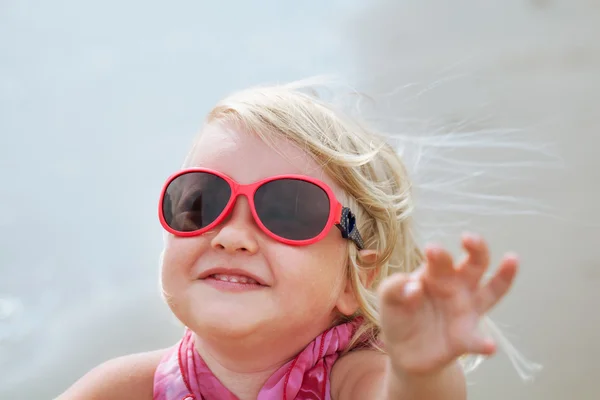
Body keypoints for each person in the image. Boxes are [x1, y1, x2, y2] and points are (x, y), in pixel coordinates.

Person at [58, 80, 525, 400]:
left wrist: (422, 369)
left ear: (354, 276)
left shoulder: (352, 379)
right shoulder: (125, 386)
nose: (233, 236)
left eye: (287, 211)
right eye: (201, 201)